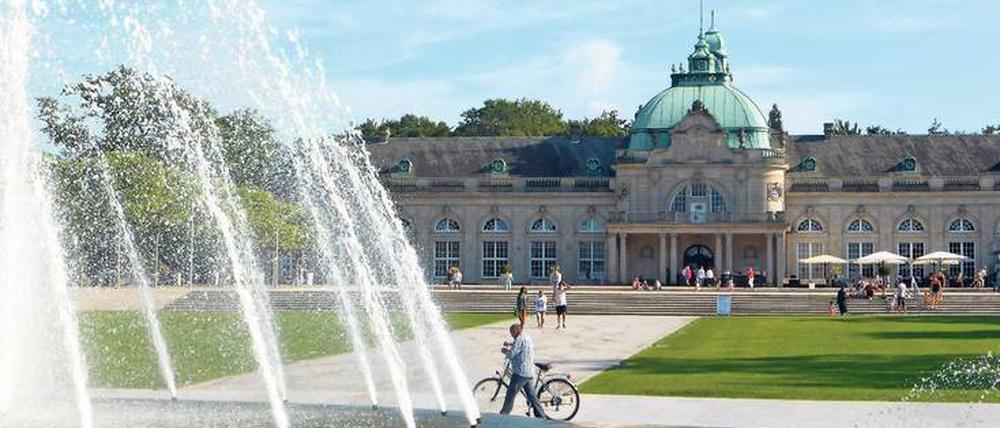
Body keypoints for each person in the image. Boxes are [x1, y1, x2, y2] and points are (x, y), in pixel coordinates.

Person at [499, 324, 546, 418]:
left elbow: (512, 354)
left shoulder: (519, 339)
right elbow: (519, 345)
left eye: (512, 332)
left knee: (510, 395)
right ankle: (541, 416)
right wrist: (510, 344)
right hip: (529, 372)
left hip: (520, 373)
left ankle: (503, 416)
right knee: (532, 396)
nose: (511, 334)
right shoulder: (526, 337)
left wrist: (505, 351)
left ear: (516, 331)